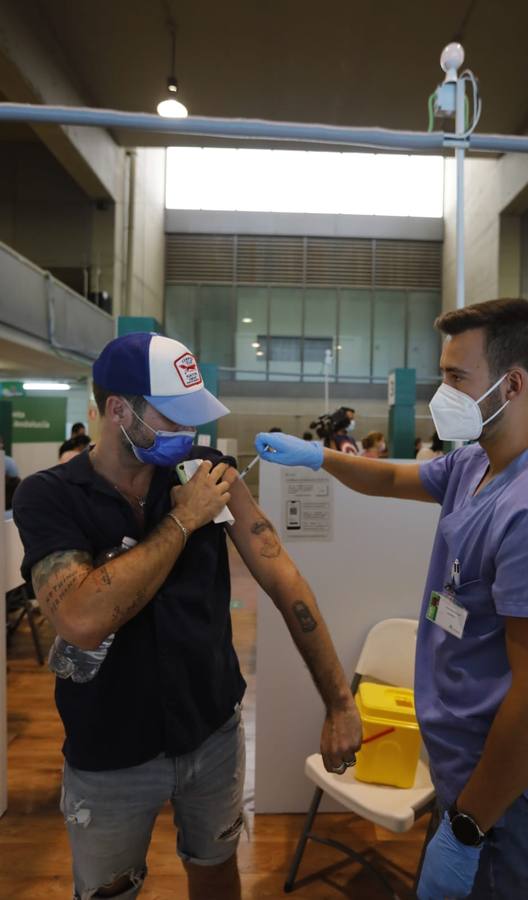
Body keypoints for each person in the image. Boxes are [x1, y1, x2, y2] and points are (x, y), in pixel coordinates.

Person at [255, 297, 528, 899]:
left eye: (456, 378)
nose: (442, 395)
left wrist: (467, 828)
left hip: (505, 792)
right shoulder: (475, 464)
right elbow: (390, 477)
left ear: (512, 384)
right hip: (462, 764)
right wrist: (317, 456)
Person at [13, 332, 361, 900]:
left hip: (212, 734)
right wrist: (183, 522)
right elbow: (80, 618)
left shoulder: (206, 473)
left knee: (218, 868)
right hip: (110, 752)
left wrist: (339, 701)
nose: (190, 435)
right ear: (119, 410)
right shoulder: (49, 497)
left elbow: (283, 578)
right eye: (173, 419)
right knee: (108, 889)